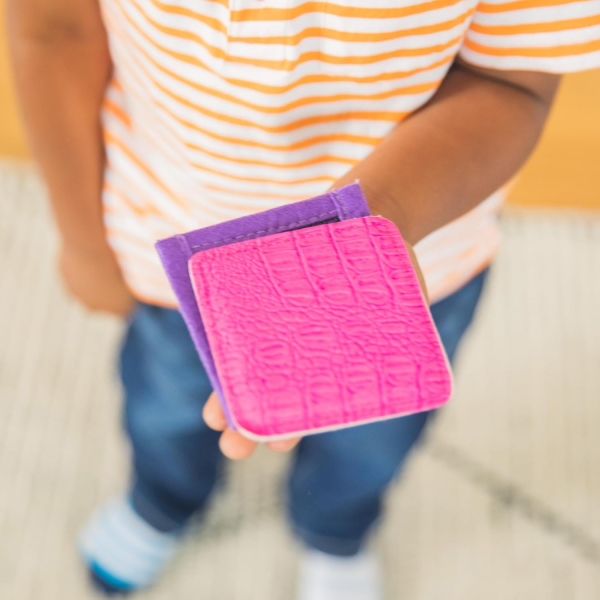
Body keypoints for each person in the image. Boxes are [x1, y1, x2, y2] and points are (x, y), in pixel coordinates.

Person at [7, 0, 600, 597]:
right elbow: (54, 28)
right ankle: (164, 499)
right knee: (165, 406)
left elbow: (511, 82)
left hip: (411, 258)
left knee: (373, 439)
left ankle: (335, 532)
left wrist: (366, 227)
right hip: (166, 237)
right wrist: (83, 242)